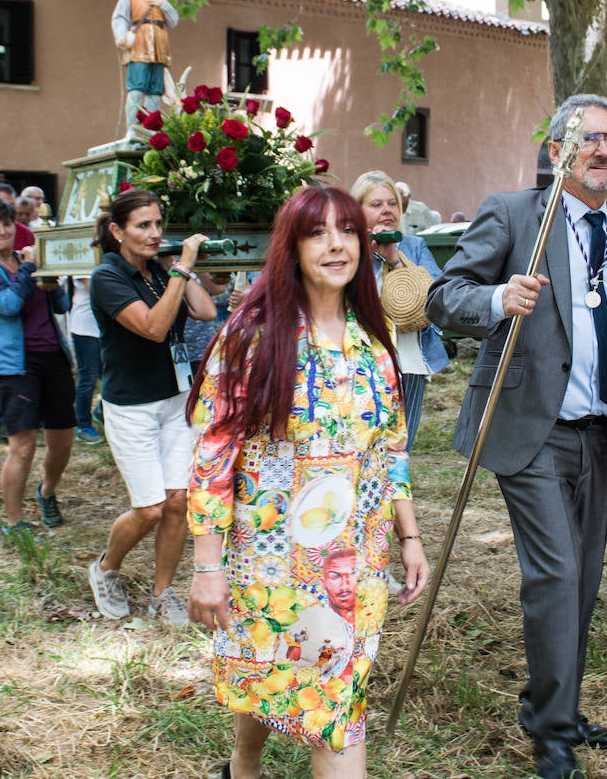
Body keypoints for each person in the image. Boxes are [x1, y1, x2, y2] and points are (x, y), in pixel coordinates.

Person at [426, 93, 607, 779]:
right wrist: (498, 300)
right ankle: (553, 734)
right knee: (554, 572)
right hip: (532, 426)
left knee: (581, 580)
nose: (604, 151)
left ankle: (552, 701)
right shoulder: (514, 212)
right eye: (590, 140)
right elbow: (445, 295)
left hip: (602, 430)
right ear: (557, 154)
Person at [185, 186, 429, 778]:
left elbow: (390, 448)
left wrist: (410, 536)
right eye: (317, 232)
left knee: (335, 709)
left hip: (354, 566)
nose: (337, 244)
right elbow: (213, 455)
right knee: (266, 663)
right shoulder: (252, 336)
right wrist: (207, 565)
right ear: (290, 248)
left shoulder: (374, 343)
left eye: (347, 229)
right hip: (270, 563)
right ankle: (244, 765)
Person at [86, 190, 216, 625]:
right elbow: (155, 329)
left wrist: (180, 269)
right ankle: (105, 569)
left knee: (178, 503)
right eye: (143, 226)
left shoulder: (160, 270)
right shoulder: (108, 278)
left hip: (175, 400)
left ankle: (163, 595)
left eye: (158, 224)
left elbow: (205, 310)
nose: (154, 233)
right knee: (150, 508)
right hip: (132, 408)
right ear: (117, 231)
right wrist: (181, 267)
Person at [0, 197, 75, 538]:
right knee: (23, 446)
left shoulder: (27, 258)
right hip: (14, 365)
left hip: (53, 356)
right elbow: (9, 305)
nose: (2, 231)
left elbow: (63, 304)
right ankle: (14, 521)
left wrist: (53, 276)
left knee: (63, 441)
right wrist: (30, 269)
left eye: (6, 223)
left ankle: (46, 491)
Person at [351, 171, 451, 449]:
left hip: (410, 360)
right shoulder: (347, 249)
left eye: (392, 203)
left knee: (401, 444)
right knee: (361, 442)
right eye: (376, 204)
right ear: (357, 210)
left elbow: (437, 297)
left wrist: (394, 258)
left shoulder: (414, 246)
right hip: (360, 360)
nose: (387, 210)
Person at [112, 0, 179, 133]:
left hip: (159, 44)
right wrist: (121, 35)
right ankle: (132, 130)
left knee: (155, 90)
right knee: (137, 87)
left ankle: (151, 131)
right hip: (140, 43)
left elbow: (173, 20)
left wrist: (163, 4)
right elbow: (120, 17)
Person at [69, 273, 105, 445]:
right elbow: (97, 290)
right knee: (88, 377)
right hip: (85, 329)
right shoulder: (84, 260)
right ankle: (83, 425)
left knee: (108, 374)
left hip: (104, 328)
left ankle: (101, 411)